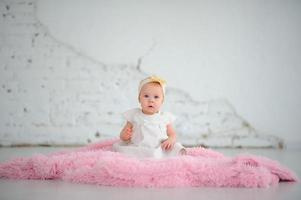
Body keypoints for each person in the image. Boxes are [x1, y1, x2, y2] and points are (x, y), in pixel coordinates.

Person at [113, 75, 186, 159]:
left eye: (156, 97)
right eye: (146, 96)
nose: (151, 100)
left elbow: (172, 134)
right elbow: (122, 136)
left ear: (162, 101)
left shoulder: (164, 117)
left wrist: (171, 139)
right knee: (128, 153)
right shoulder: (134, 115)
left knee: (176, 148)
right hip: (138, 147)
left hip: (160, 147)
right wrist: (124, 135)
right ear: (139, 99)